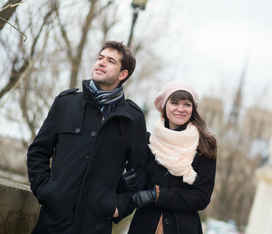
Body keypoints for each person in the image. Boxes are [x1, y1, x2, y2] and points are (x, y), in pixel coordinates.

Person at [27, 40, 147, 234]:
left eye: (110, 61)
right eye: (100, 58)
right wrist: (46, 190)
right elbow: (38, 152)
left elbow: (140, 173)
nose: (101, 63)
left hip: (96, 225)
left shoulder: (133, 119)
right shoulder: (66, 103)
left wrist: (118, 206)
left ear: (123, 74)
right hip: (52, 222)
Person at [127, 80, 217, 234]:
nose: (180, 109)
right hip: (145, 224)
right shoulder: (148, 141)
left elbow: (201, 197)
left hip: (183, 227)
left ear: (193, 109)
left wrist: (158, 195)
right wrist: (126, 184)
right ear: (164, 106)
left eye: (187, 104)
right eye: (174, 103)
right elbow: (137, 184)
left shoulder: (204, 145)